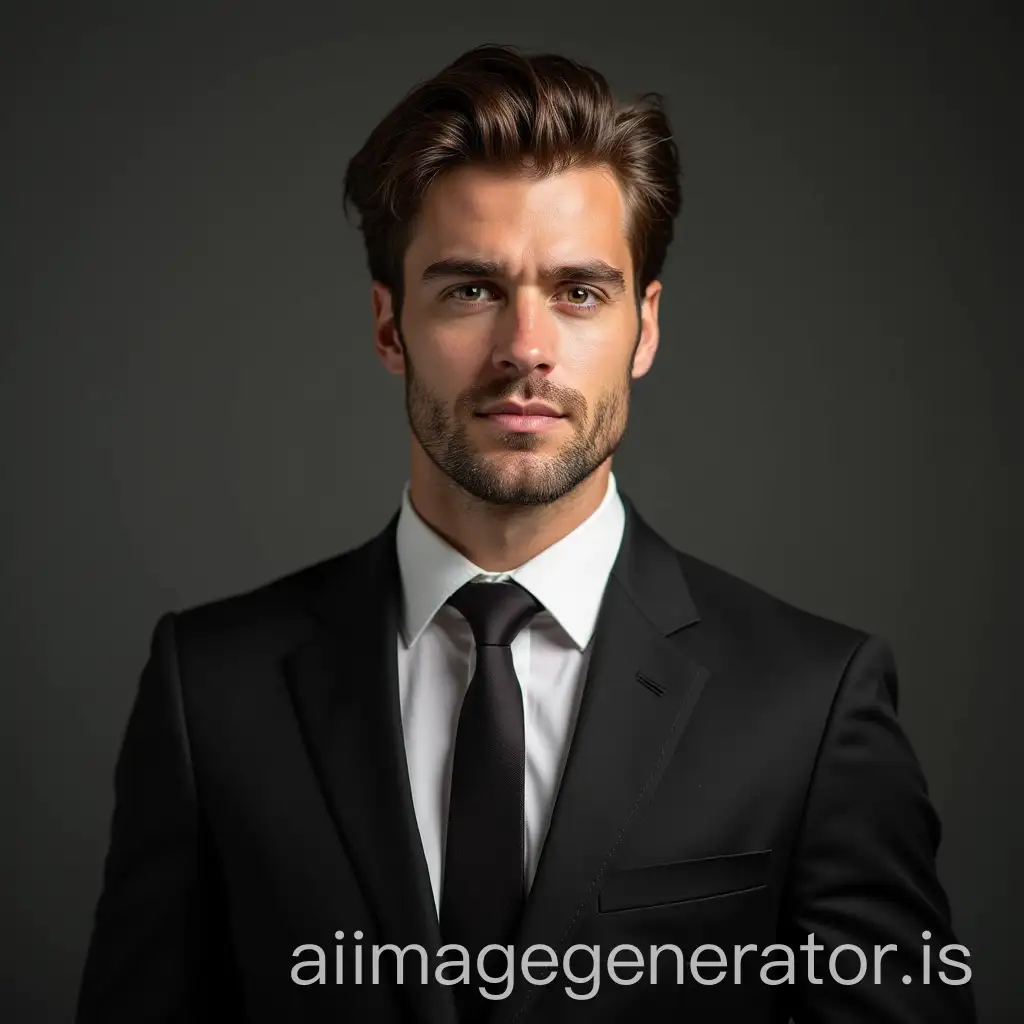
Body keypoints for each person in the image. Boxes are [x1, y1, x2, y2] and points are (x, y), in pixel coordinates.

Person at [76, 43, 975, 1023]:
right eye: (471, 290)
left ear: (644, 327)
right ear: (389, 327)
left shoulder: (810, 702)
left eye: (579, 292)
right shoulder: (210, 688)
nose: (525, 350)